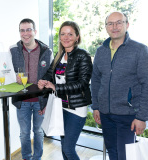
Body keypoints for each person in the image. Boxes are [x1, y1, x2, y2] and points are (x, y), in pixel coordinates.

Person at [91, 11, 148, 160]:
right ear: (106, 27)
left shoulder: (140, 50)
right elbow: (96, 80)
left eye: (119, 22)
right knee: (113, 153)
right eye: (110, 23)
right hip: (105, 115)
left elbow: (147, 84)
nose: (114, 26)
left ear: (127, 25)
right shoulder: (100, 51)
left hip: (128, 116)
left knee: (125, 156)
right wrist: (96, 107)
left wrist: (142, 117)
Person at [38, 21, 92, 160]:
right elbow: (50, 73)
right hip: (60, 107)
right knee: (64, 148)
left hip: (76, 108)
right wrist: (43, 81)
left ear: (77, 37)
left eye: (70, 34)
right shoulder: (59, 55)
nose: (66, 37)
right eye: (63, 34)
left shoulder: (83, 55)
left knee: (68, 148)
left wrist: (56, 87)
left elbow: (82, 84)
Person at [10, 18, 53, 160]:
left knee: (39, 132)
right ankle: (26, 157)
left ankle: (37, 158)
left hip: (40, 100)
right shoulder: (13, 51)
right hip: (21, 100)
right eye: (22, 30)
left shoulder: (46, 51)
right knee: (24, 133)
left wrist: (47, 100)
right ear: (19, 33)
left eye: (29, 29)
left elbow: (51, 76)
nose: (26, 33)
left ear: (34, 31)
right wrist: (12, 76)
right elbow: (5, 72)